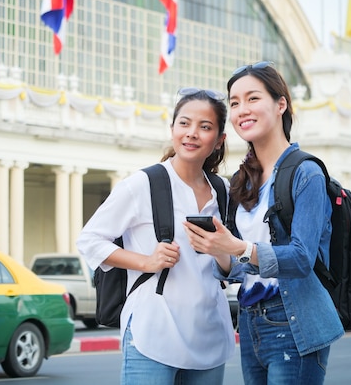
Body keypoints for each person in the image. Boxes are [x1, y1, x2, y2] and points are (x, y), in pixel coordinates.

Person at [184, 62, 344, 385]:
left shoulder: (306, 173)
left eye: (253, 98)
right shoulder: (243, 180)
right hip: (251, 319)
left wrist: (239, 247)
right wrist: (220, 252)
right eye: (235, 102)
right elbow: (243, 267)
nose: (242, 109)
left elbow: (300, 258)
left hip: (293, 320)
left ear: (280, 104)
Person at [77, 88, 236, 385]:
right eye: (184, 123)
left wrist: (221, 251)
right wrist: (147, 261)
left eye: (205, 127)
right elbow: (89, 240)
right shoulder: (143, 184)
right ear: (172, 128)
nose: (192, 133)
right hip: (153, 332)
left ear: (219, 141)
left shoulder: (223, 191)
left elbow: (230, 268)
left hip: (209, 336)